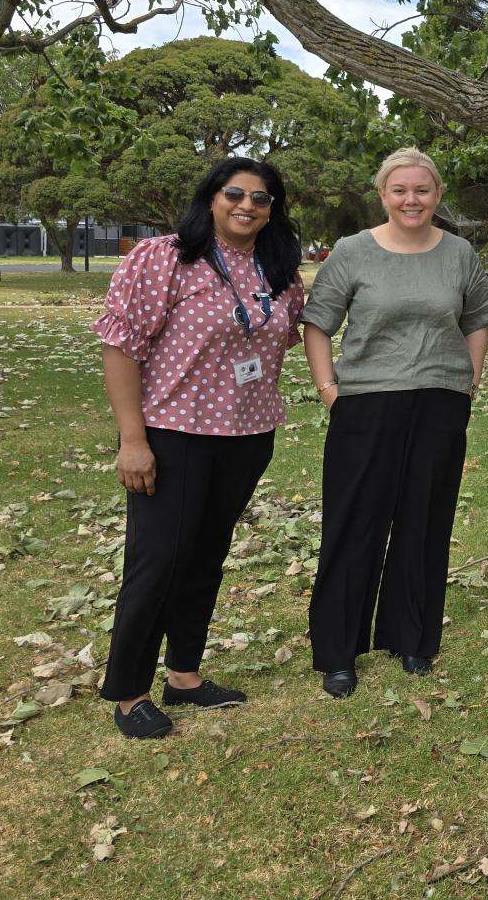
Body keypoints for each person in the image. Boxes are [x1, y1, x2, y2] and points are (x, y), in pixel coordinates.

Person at [94, 157, 305, 738]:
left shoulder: (277, 267)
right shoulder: (165, 257)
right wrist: (132, 440)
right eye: (234, 194)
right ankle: (129, 692)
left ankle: (184, 674)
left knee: (206, 555)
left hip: (246, 436)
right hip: (172, 434)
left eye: (261, 199)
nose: (247, 206)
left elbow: (286, 334)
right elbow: (120, 347)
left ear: (273, 209)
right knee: (157, 559)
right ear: (210, 198)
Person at [303, 148, 488, 698]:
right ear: (383, 194)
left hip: (439, 401)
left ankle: (412, 637)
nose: (411, 200)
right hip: (365, 403)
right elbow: (317, 325)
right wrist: (330, 390)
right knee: (355, 523)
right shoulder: (352, 252)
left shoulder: (458, 253)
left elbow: (479, 318)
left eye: (422, 190)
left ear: (437, 195)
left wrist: (469, 379)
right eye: (400, 190)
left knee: (425, 521)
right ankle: (338, 651)